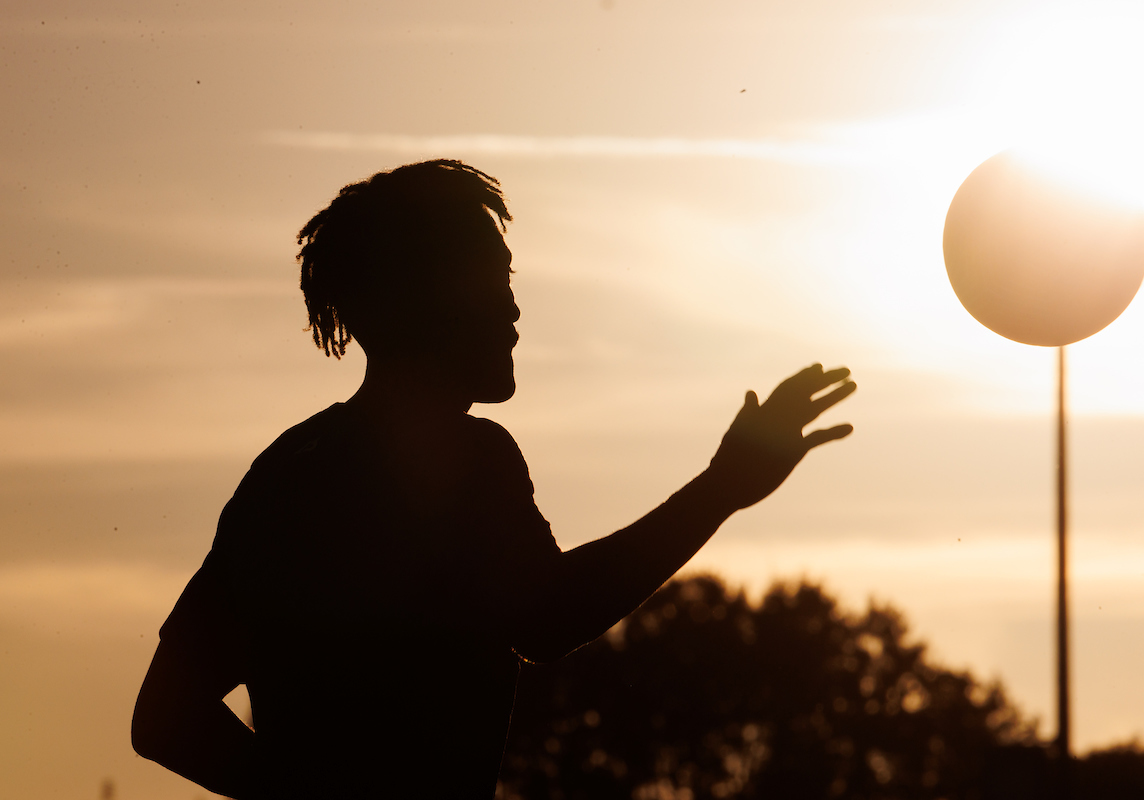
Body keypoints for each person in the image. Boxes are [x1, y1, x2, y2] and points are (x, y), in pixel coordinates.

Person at [131, 160, 856, 799]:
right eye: (492, 283)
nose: (512, 309)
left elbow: (165, 717)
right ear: (424, 302)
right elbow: (548, 619)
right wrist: (722, 488)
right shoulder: (465, 457)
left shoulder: (284, 472)